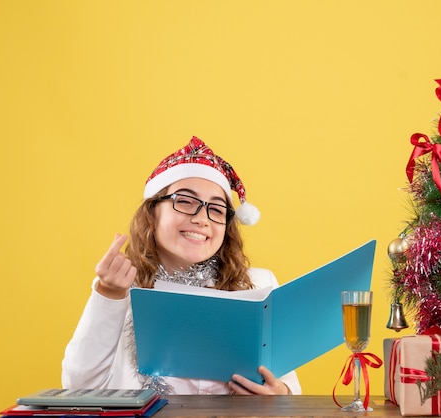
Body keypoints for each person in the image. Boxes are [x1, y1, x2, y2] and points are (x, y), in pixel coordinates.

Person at [61, 137, 301, 395]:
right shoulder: (120, 286)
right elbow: (79, 388)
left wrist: (280, 394)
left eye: (217, 209)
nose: (201, 218)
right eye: (185, 201)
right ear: (152, 214)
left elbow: (288, 386)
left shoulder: (261, 285)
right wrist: (108, 295)